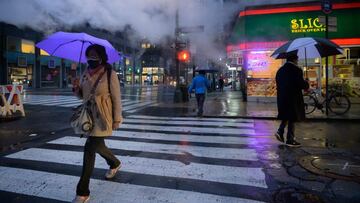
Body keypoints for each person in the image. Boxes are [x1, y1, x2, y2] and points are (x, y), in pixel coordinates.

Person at [72, 44, 123, 203]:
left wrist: (117, 119)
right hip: (88, 117)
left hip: (103, 117)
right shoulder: (85, 74)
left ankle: (83, 192)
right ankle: (114, 162)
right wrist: (76, 89)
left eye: (94, 55)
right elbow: (83, 96)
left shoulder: (110, 73)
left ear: (101, 57)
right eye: (89, 55)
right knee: (98, 145)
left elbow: (116, 98)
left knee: (90, 148)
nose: (91, 58)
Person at [275, 51, 309, 147]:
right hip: (293, 98)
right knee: (292, 117)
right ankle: (290, 139)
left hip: (282, 98)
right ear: (294, 59)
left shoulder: (280, 70)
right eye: (297, 59)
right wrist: (306, 82)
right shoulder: (296, 70)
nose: (297, 61)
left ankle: (280, 131)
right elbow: (302, 85)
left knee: (287, 115)